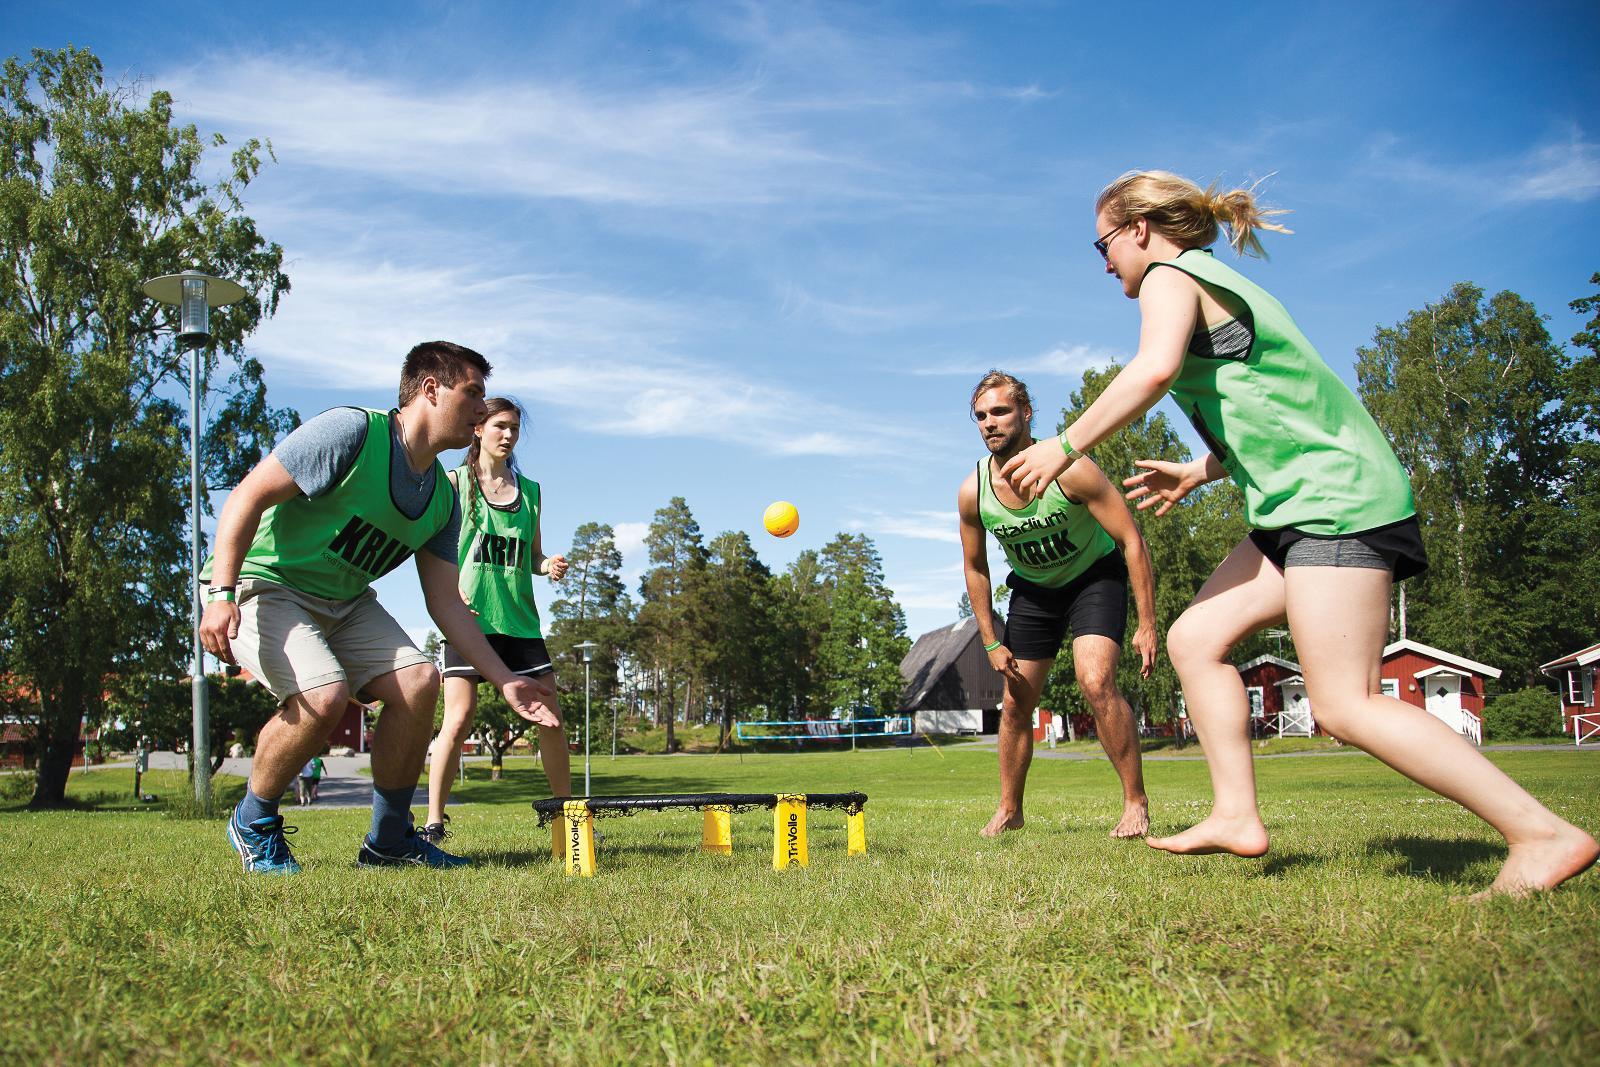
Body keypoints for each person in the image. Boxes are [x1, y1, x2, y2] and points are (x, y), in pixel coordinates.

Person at [1000, 170, 1598, 896]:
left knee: (1344, 704)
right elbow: (1278, 405)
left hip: (1334, 502)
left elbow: (1154, 370)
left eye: (1103, 244)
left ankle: (1541, 833)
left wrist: (1065, 444)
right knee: (1194, 639)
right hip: (1293, 505)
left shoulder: (1169, 273)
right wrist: (1203, 468)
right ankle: (1237, 813)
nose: (1104, 263)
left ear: (1140, 229)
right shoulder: (1211, 279)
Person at [200, 341, 560, 874]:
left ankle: (389, 841)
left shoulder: (441, 496)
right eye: (474, 394)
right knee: (325, 697)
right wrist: (221, 594)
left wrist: (504, 678)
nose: (485, 411)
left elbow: (445, 602)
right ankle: (254, 820)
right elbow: (246, 497)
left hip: (343, 601)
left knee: (419, 682)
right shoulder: (352, 433)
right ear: (431, 390)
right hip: (264, 584)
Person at [960, 370, 1159, 839]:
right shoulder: (974, 491)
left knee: (1095, 681)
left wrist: (1147, 623)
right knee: (1015, 704)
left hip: (1094, 578)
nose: (990, 423)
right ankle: (1010, 809)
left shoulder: (1071, 469)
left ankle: (1135, 802)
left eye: (1001, 412)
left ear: (1026, 414)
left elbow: (1131, 538)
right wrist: (990, 641)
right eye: (981, 416)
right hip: (1033, 591)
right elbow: (975, 567)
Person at [421, 398, 571, 844]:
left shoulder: (532, 492)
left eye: (515, 429)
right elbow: (433, 550)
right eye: (500, 426)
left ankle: (566, 818)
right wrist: (453, 588)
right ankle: (433, 822)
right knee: (459, 717)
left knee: (552, 721)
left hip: (520, 623)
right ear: (477, 429)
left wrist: (549, 566)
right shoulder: (452, 483)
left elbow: (533, 557)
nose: (508, 436)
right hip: (468, 621)